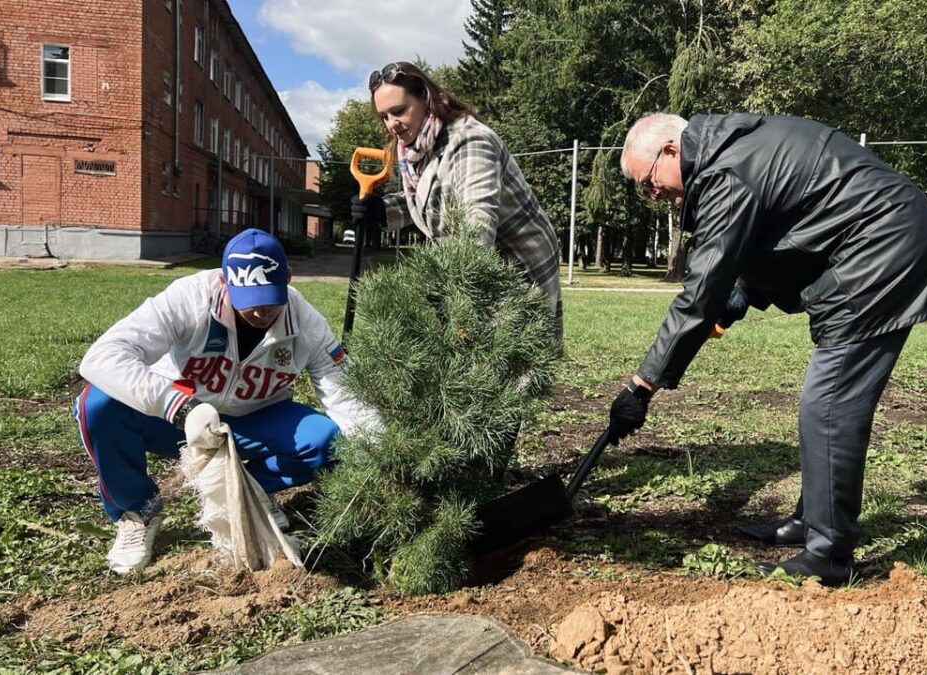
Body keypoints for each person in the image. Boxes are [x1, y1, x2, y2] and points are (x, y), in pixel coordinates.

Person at [607, 113, 927, 585]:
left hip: (883, 252)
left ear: (671, 151)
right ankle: (811, 520)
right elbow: (783, 229)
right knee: (826, 403)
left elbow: (699, 295)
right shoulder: (730, 152)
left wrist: (642, 385)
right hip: (877, 244)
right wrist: (742, 293)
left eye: (649, 181)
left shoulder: (725, 172)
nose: (652, 194)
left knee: (829, 405)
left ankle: (829, 555)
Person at [74, 228, 381, 574]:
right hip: (180, 421)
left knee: (327, 440)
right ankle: (137, 511)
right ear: (225, 280)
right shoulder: (189, 299)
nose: (261, 311)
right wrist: (178, 407)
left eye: (270, 295)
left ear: (289, 278)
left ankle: (253, 491)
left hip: (256, 419)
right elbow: (101, 357)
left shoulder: (306, 322)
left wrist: (385, 456)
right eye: (248, 298)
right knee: (98, 404)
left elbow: (346, 396)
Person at [351, 61, 563, 339]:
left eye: (399, 111)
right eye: (384, 116)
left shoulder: (470, 141)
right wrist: (381, 210)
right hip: (473, 268)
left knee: (514, 364)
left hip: (518, 266)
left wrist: (439, 285)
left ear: (425, 99)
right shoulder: (418, 151)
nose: (392, 124)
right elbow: (431, 198)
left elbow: (477, 223)